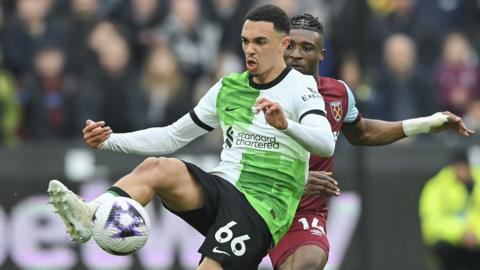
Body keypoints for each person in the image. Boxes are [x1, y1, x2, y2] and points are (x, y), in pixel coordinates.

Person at [47, 5, 336, 270]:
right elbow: (172, 137)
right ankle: (91, 213)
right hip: (223, 188)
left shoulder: (300, 87)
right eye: (245, 41)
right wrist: (109, 140)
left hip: (262, 209)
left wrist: (286, 126)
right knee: (158, 168)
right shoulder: (228, 88)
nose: (250, 49)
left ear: (283, 45)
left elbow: (326, 142)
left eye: (260, 42)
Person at [267, 13, 475, 270]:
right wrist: (296, 181)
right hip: (260, 204)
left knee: (309, 262)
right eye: (290, 46)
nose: (296, 54)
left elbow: (362, 132)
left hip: (305, 214)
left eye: (306, 47)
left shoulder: (338, 94)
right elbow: (242, 158)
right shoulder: (261, 93)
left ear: (322, 54)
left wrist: (426, 123)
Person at [419, 149, 480, 270]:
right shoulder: (436, 188)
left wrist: (475, 235)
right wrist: (461, 233)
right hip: (449, 250)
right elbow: (431, 223)